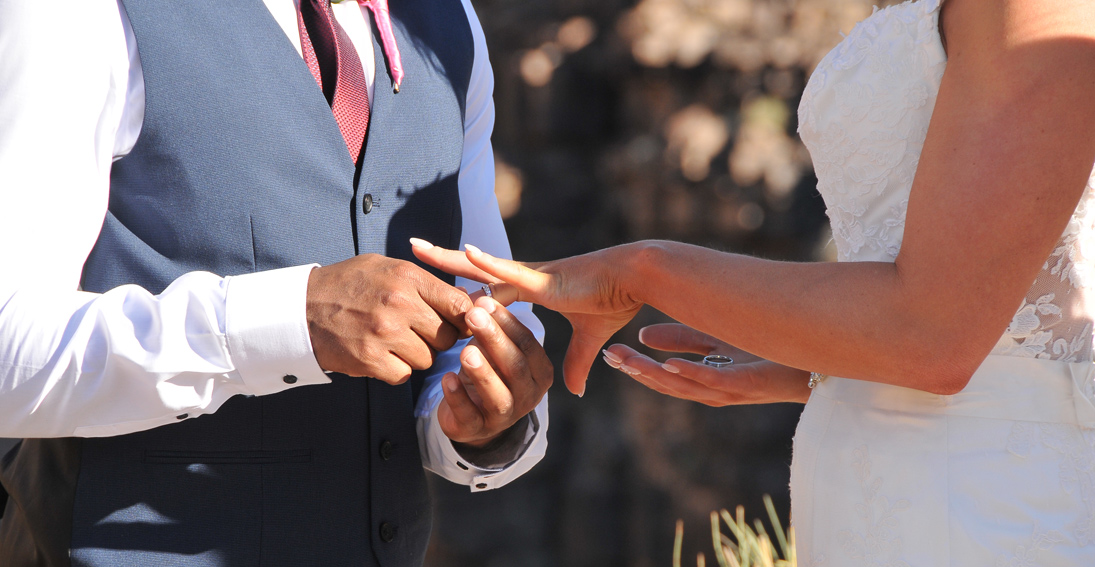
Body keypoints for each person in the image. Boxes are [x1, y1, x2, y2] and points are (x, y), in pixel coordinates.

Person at [413, 0, 1095, 564]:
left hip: (983, 506)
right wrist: (825, 362)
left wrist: (639, 270)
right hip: (886, 484)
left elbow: (936, 335)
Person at [0, 0, 551, 565]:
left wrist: (481, 423)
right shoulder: (75, 11)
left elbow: (474, 336)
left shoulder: (448, 21)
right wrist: (291, 322)